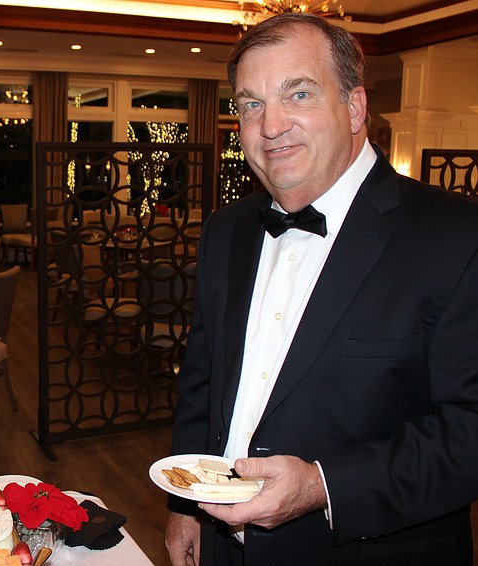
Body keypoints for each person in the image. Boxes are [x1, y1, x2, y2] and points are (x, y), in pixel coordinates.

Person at [165, 12, 478, 566]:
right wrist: (185, 505)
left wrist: (322, 485)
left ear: (355, 107)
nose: (271, 125)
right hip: (222, 545)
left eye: (299, 94)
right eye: (251, 104)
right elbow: (202, 383)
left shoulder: (457, 236)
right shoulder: (225, 230)